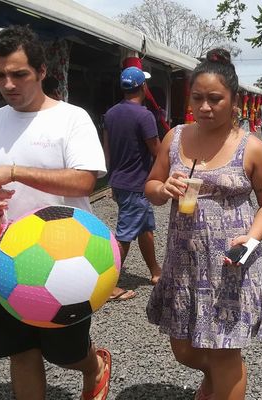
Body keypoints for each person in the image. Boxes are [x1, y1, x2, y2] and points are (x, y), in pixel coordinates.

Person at [0, 26, 111, 400]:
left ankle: (94, 365)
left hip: (63, 256)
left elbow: (83, 182)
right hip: (3, 255)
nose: (7, 84)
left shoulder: (71, 119)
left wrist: (12, 171)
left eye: (18, 74)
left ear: (42, 71)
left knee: (65, 351)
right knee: (19, 350)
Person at [144, 48, 262, 400]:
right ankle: (219, 378)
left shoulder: (252, 148)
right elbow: (151, 186)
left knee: (224, 352)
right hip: (183, 262)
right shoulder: (174, 138)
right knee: (184, 348)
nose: (205, 107)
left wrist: (250, 238)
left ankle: (224, 379)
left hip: (230, 264)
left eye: (215, 99)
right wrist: (163, 188)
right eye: (198, 98)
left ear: (234, 101)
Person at [103, 66, 162, 300]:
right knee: (125, 235)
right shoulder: (144, 115)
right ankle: (107, 285)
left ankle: (155, 270)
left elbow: (107, 150)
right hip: (137, 183)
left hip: (119, 180)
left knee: (145, 228)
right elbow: (157, 150)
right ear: (143, 88)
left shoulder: (110, 113)